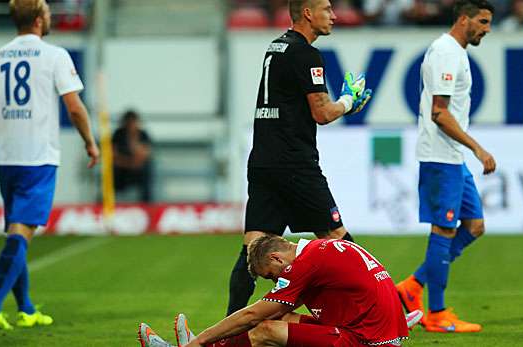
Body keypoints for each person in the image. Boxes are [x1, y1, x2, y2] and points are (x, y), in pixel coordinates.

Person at [0, 0, 99, 330]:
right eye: (48, 12)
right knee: (22, 232)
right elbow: (75, 107)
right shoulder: (54, 55)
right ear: (38, 20)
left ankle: (26, 308)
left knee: (16, 230)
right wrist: (90, 143)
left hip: (6, 159)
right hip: (39, 157)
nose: (50, 17)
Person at [227, 0, 372, 316]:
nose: (333, 16)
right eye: (327, 9)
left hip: (264, 160)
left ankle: (227, 330)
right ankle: (378, 311)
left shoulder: (276, 46)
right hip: (294, 163)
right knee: (338, 240)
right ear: (308, 13)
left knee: (253, 247)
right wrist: (349, 101)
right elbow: (321, 113)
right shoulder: (306, 53)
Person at [395, 0, 496, 333]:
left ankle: (413, 287)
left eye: (490, 22)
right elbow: (439, 113)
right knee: (444, 230)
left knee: (475, 225)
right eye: (482, 21)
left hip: (453, 157)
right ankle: (436, 314)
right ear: (463, 19)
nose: (487, 29)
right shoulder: (446, 53)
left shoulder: (455, 51)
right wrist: (478, 149)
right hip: (441, 156)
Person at [138, 234, 420, 347]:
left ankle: (196, 345)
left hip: (367, 342)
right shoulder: (321, 247)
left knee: (264, 330)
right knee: (279, 320)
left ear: (276, 258)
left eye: (272, 276)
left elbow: (252, 315)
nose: (276, 283)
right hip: (373, 331)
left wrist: (200, 341)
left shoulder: (306, 263)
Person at [112, 110, 153, 203]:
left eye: (133, 123)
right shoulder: (118, 134)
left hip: (138, 169)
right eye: (128, 123)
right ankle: (109, 201)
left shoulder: (143, 134)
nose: (131, 126)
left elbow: (145, 155)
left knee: (147, 170)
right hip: (122, 168)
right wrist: (128, 163)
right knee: (111, 171)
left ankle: (147, 204)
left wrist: (133, 141)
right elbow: (113, 155)